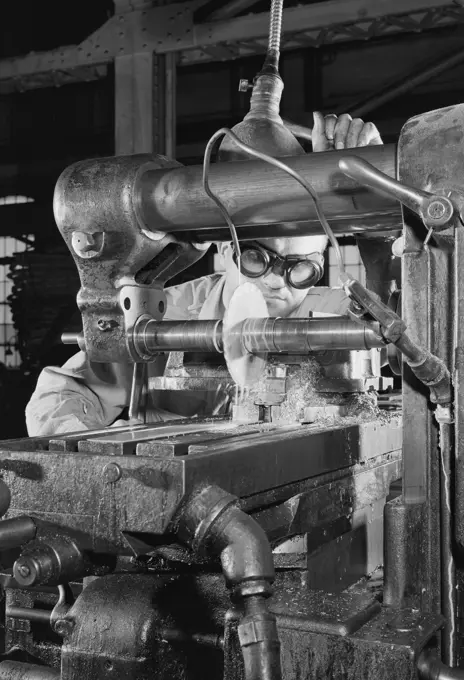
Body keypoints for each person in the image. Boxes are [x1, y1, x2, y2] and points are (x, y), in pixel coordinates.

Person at [25, 112, 383, 436]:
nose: (277, 281)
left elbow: (417, 337)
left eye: (301, 270)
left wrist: (378, 200)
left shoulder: (341, 319)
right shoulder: (166, 319)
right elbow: (60, 396)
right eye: (258, 260)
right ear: (225, 249)